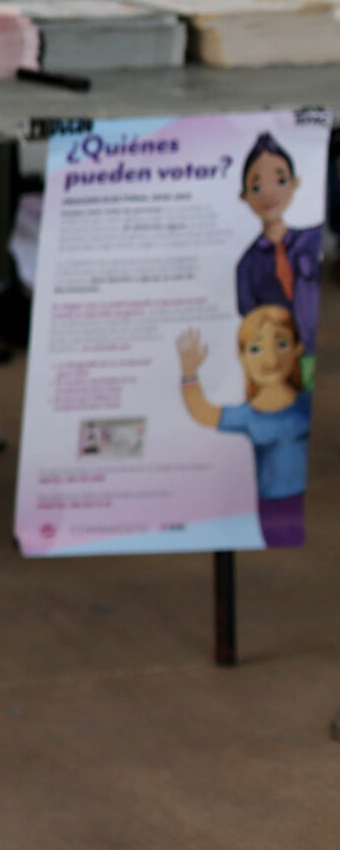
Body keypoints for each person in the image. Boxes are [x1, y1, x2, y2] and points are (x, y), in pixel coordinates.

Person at [175, 312, 311, 548]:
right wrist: (189, 374)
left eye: (281, 344)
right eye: (256, 349)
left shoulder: (306, 403)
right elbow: (203, 411)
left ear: (297, 349)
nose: (270, 359)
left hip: (306, 503)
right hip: (271, 504)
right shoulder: (248, 415)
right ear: (243, 357)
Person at [233, 132, 320, 388]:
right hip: (283, 366)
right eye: (257, 186)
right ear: (244, 196)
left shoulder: (315, 238)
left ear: (295, 183)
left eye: (280, 180)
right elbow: (252, 323)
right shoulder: (247, 264)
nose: (269, 193)